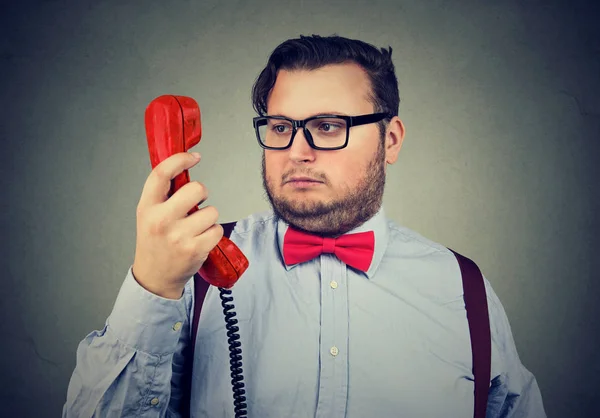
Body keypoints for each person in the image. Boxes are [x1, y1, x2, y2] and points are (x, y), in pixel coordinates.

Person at [63, 34, 547, 417]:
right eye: (279, 127)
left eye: (329, 126)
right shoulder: (190, 271)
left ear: (391, 140)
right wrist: (152, 286)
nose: (297, 150)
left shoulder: (465, 291)